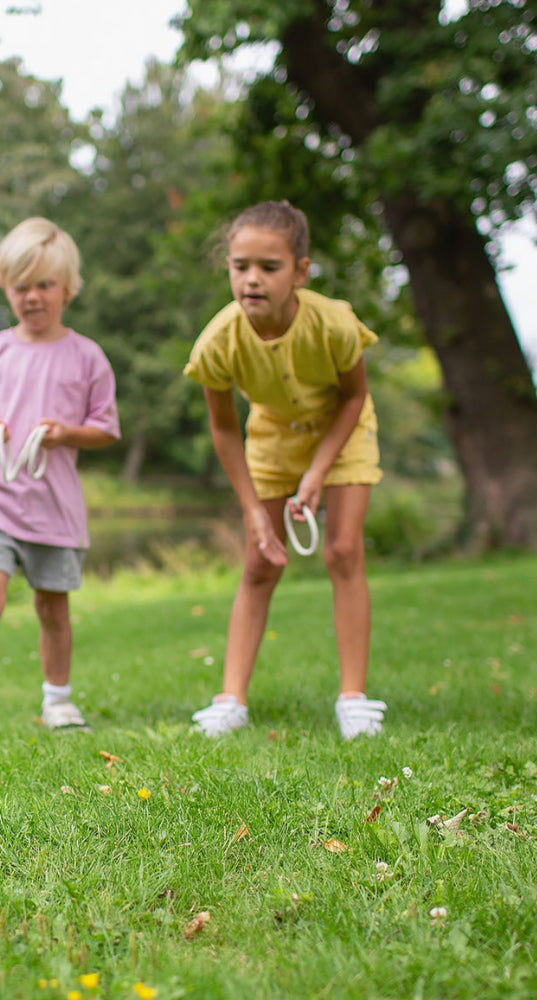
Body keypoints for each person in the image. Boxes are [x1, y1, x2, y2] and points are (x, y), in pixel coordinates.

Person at [184, 200, 387, 739]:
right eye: (240, 266)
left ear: (300, 271)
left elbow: (354, 397)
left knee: (343, 551)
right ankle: (231, 700)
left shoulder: (334, 323)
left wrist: (317, 474)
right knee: (260, 563)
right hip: (272, 438)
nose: (252, 279)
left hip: (341, 431)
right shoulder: (218, 342)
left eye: (268, 267)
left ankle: (354, 699)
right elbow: (224, 429)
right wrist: (253, 510)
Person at [0, 217, 120, 741]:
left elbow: (106, 428)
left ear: (68, 288)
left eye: (44, 285)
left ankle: (58, 701)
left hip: (54, 506)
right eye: (21, 286)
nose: (33, 297)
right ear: (6, 287)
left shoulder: (87, 356)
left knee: (52, 607)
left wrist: (66, 433)